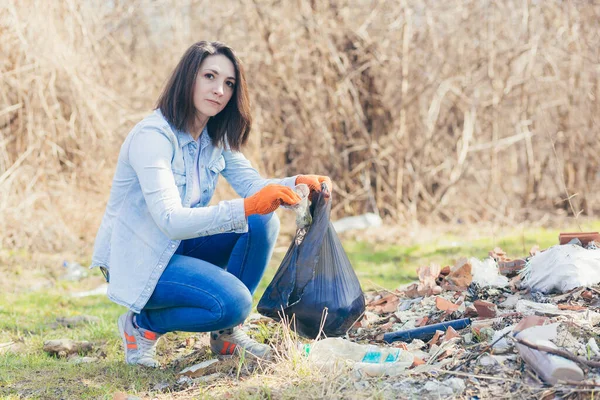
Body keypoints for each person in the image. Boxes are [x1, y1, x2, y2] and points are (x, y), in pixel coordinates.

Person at [91, 41, 332, 367]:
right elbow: (171, 220)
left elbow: (254, 186)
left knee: (263, 222)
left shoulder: (212, 138)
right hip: (140, 257)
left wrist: (297, 184)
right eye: (210, 76)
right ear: (188, 78)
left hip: (177, 247)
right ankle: (141, 326)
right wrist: (247, 207)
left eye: (229, 83)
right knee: (233, 301)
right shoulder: (153, 137)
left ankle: (226, 335)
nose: (219, 90)